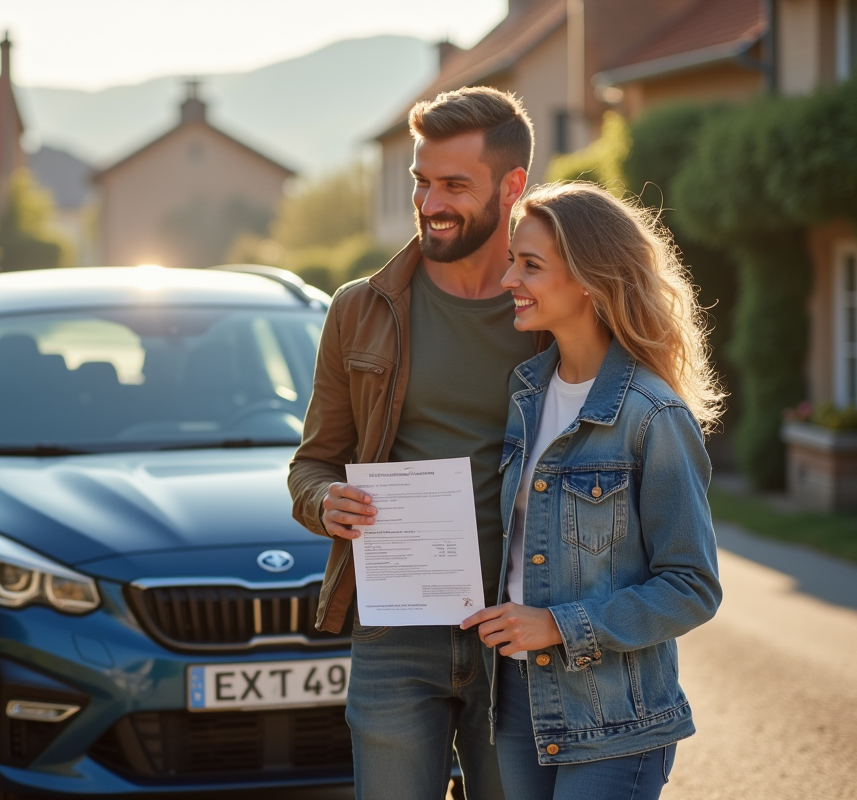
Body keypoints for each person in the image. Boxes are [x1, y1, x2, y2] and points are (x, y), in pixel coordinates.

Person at [288, 86, 536, 800]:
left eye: (455, 184)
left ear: (513, 185)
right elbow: (311, 462)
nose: (430, 203)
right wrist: (324, 501)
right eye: (422, 182)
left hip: (518, 634)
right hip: (397, 632)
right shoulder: (360, 310)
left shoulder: (555, 311)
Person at [460, 181, 725, 800]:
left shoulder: (652, 416)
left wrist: (558, 625)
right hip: (517, 702)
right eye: (511, 263)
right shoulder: (524, 395)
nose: (509, 282)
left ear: (588, 279)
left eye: (530, 266)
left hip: (615, 718)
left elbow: (692, 586)